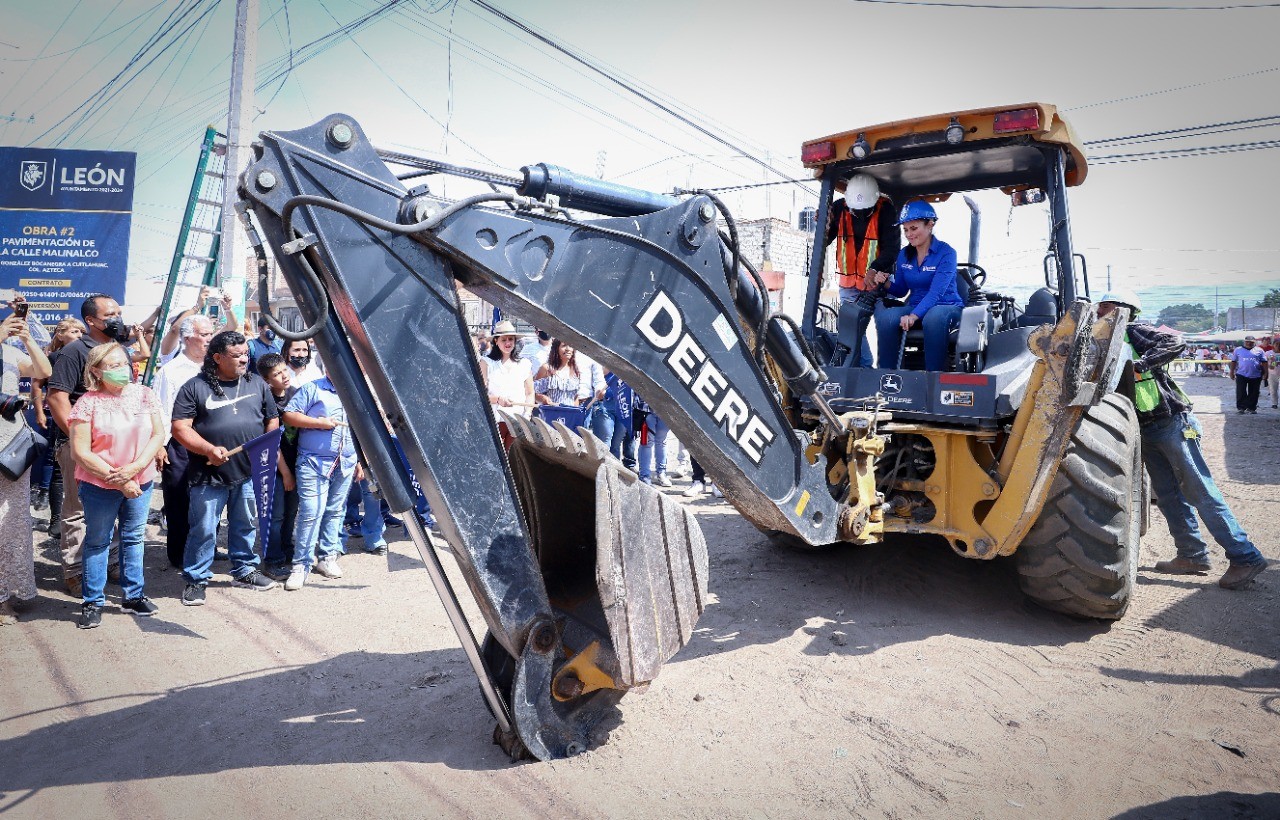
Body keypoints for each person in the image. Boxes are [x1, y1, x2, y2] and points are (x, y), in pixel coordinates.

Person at [1099, 290, 1268, 590]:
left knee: (1199, 490)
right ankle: (1192, 555)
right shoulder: (1106, 341)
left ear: (1124, 310)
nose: (1100, 311)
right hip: (1145, 428)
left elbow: (1175, 341)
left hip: (1172, 422)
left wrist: (1141, 365)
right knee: (1167, 495)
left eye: (1106, 306)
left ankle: (1245, 556)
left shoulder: (1132, 330)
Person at [171, 331, 280, 605]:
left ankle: (244, 570)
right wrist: (208, 449)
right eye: (237, 355)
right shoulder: (195, 387)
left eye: (246, 354)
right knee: (204, 529)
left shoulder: (257, 383)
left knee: (244, 525)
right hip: (208, 475)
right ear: (217, 357)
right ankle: (196, 579)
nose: (244, 359)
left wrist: (265, 447)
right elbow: (180, 428)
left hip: (247, 472)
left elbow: (272, 419)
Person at [68, 343, 165, 629]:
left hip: (141, 481)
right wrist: (122, 480)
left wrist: (135, 470)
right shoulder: (87, 402)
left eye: (124, 363)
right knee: (98, 541)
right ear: (96, 371)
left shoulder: (144, 395)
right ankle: (92, 601)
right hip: (101, 485)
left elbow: (158, 434)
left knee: (134, 537)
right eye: (113, 366)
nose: (123, 369)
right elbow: (80, 452)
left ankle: (134, 595)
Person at [47, 293, 136, 596]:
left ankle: (107, 563)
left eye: (119, 312)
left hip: (118, 447)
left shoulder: (118, 352)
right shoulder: (74, 351)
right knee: (78, 508)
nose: (117, 318)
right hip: (80, 448)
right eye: (110, 314)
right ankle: (74, 571)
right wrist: (79, 441)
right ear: (91, 321)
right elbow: (57, 398)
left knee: (110, 505)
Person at [0, 297, 53, 625]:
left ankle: (6, 591)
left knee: (13, 520)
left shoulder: (9, 353)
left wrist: (28, 339)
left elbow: (43, 371)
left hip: (11, 441)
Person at [283, 371, 360, 589]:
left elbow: (362, 430)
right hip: (313, 462)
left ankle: (328, 557)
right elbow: (289, 415)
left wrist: (361, 461)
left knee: (335, 511)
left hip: (345, 462)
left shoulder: (356, 391)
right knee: (311, 513)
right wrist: (318, 423)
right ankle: (301, 566)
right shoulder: (312, 388)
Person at [152, 315, 216, 567]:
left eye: (211, 334)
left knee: (208, 498)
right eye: (204, 335)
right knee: (179, 497)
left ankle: (204, 549)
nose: (209, 339)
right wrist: (160, 445)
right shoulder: (171, 371)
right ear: (188, 338)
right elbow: (160, 409)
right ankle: (179, 554)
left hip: (210, 441)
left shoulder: (214, 368)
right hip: (178, 443)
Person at [873, 201, 965, 372]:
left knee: (934, 317)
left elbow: (936, 293)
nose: (909, 234)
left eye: (913, 228)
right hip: (915, 307)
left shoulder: (947, 253)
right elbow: (901, 290)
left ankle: (934, 376)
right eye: (905, 230)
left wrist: (914, 316)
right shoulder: (904, 255)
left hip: (946, 307)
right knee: (887, 317)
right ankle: (887, 375)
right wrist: (885, 282)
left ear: (930, 225)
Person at [826, 174, 899, 367]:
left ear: (874, 202)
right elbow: (825, 239)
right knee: (851, 329)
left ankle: (888, 371)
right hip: (849, 284)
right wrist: (822, 227)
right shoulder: (839, 209)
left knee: (886, 324)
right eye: (854, 210)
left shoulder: (886, 211)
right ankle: (864, 366)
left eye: (864, 210)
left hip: (877, 283)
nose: (858, 213)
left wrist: (875, 268)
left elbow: (892, 249)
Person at [29, 318, 83, 518]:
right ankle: (49, 503)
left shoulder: (86, 355)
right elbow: (36, 385)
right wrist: (39, 412)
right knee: (53, 459)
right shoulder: (52, 357)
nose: (79, 336)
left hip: (80, 416)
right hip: (55, 414)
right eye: (74, 331)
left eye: (81, 332)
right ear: (60, 334)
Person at [256, 352, 300, 581]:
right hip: (274, 467)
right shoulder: (265, 401)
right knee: (275, 514)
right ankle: (272, 559)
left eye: (285, 370)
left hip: (296, 463)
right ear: (266, 380)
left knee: (291, 511)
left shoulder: (296, 395)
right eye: (277, 374)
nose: (284, 376)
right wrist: (284, 472)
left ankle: (287, 549)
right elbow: (270, 442)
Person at [481, 320, 534, 418]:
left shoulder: (525, 364)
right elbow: (480, 395)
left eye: (510, 339)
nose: (508, 343)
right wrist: (497, 399)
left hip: (519, 421)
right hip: (494, 421)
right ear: (496, 341)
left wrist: (527, 414)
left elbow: (530, 393)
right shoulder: (486, 363)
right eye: (504, 340)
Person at [534, 340, 587, 406]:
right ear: (556, 349)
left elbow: (575, 398)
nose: (568, 349)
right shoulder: (547, 368)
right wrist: (543, 399)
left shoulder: (576, 371)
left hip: (569, 414)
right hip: (550, 413)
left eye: (571, 346)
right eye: (564, 346)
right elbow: (533, 393)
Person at [1228, 335, 1267, 414]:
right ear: (1244, 341)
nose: (1249, 343)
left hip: (1256, 374)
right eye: (1247, 342)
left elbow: (1264, 362)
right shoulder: (1238, 350)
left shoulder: (1259, 350)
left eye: (1251, 342)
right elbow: (1233, 361)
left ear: (1254, 342)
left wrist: (1266, 373)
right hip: (1241, 374)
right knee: (1241, 391)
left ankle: (1251, 408)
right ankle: (1241, 408)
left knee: (1254, 392)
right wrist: (1231, 372)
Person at [1267, 335, 1279, 409]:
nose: (1278, 346)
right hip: (1272, 374)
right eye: (1276, 344)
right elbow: (1271, 366)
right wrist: (1272, 361)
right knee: (1273, 390)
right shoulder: (1269, 353)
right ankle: (1274, 403)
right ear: (1273, 345)